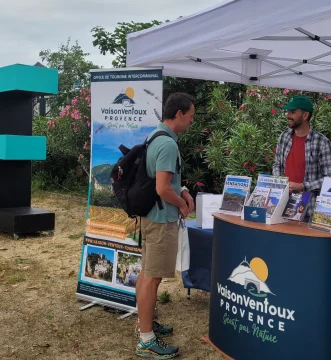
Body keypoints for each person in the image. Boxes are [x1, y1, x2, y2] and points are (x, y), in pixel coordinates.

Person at [134, 92, 195, 359]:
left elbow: (164, 179)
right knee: (152, 277)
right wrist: (182, 205)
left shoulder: (155, 136)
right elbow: (161, 187)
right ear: (179, 114)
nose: (192, 122)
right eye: (191, 116)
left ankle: (144, 324)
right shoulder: (168, 144)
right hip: (161, 220)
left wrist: (181, 190)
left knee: (148, 273)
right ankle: (146, 341)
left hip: (150, 216)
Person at [273, 95, 331, 214]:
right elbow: (277, 165)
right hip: (282, 204)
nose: (288, 115)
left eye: (292, 112)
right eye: (288, 112)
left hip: (308, 209)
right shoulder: (284, 136)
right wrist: (280, 182)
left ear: (305, 115)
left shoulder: (321, 142)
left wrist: (302, 186)